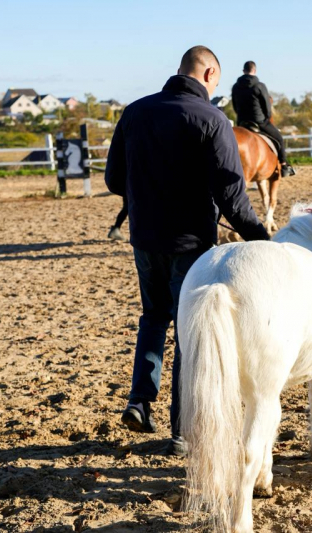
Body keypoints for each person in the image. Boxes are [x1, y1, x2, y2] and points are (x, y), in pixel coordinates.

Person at [105, 46, 270, 456]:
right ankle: (181, 431)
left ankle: (140, 401)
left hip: (144, 238)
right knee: (189, 336)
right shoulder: (213, 119)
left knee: (153, 317)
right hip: (191, 245)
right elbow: (234, 197)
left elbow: (112, 180)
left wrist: (147, 194)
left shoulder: (134, 112)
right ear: (210, 73)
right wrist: (263, 239)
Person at [231, 61, 296, 177]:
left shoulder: (236, 86)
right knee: (279, 139)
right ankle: (284, 165)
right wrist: (266, 117)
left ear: (243, 71)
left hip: (241, 122)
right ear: (254, 71)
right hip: (259, 121)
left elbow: (235, 105)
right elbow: (266, 105)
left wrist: (240, 118)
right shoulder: (260, 86)